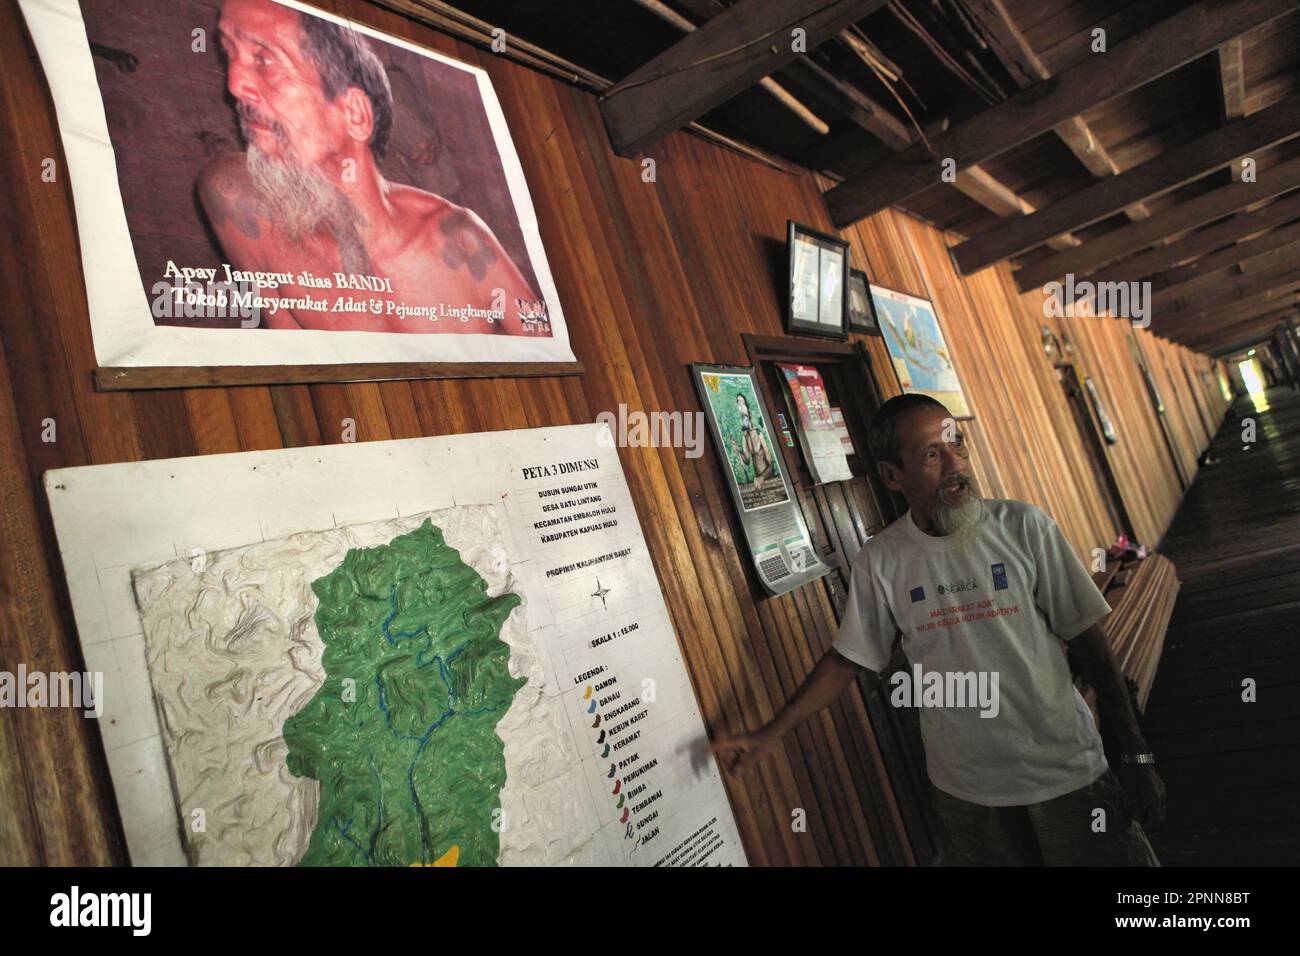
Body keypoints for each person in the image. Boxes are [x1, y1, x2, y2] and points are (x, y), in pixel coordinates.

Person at [713, 393, 1166, 865]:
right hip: (967, 794)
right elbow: (848, 658)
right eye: (932, 454)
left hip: (1066, 772)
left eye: (957, 445)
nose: (955, 465)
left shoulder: (1024, 528)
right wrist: (769, 733)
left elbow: (1090, 642)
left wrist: (1135, 754)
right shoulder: (882, 560)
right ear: (892, 476)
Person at [198, 0, 542, 334]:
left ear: (355, 115)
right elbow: (297, 360)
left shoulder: (459, 238)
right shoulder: (254, 229)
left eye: (265, 59)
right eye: (230, 54)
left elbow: (545, 351)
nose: (233, 84)